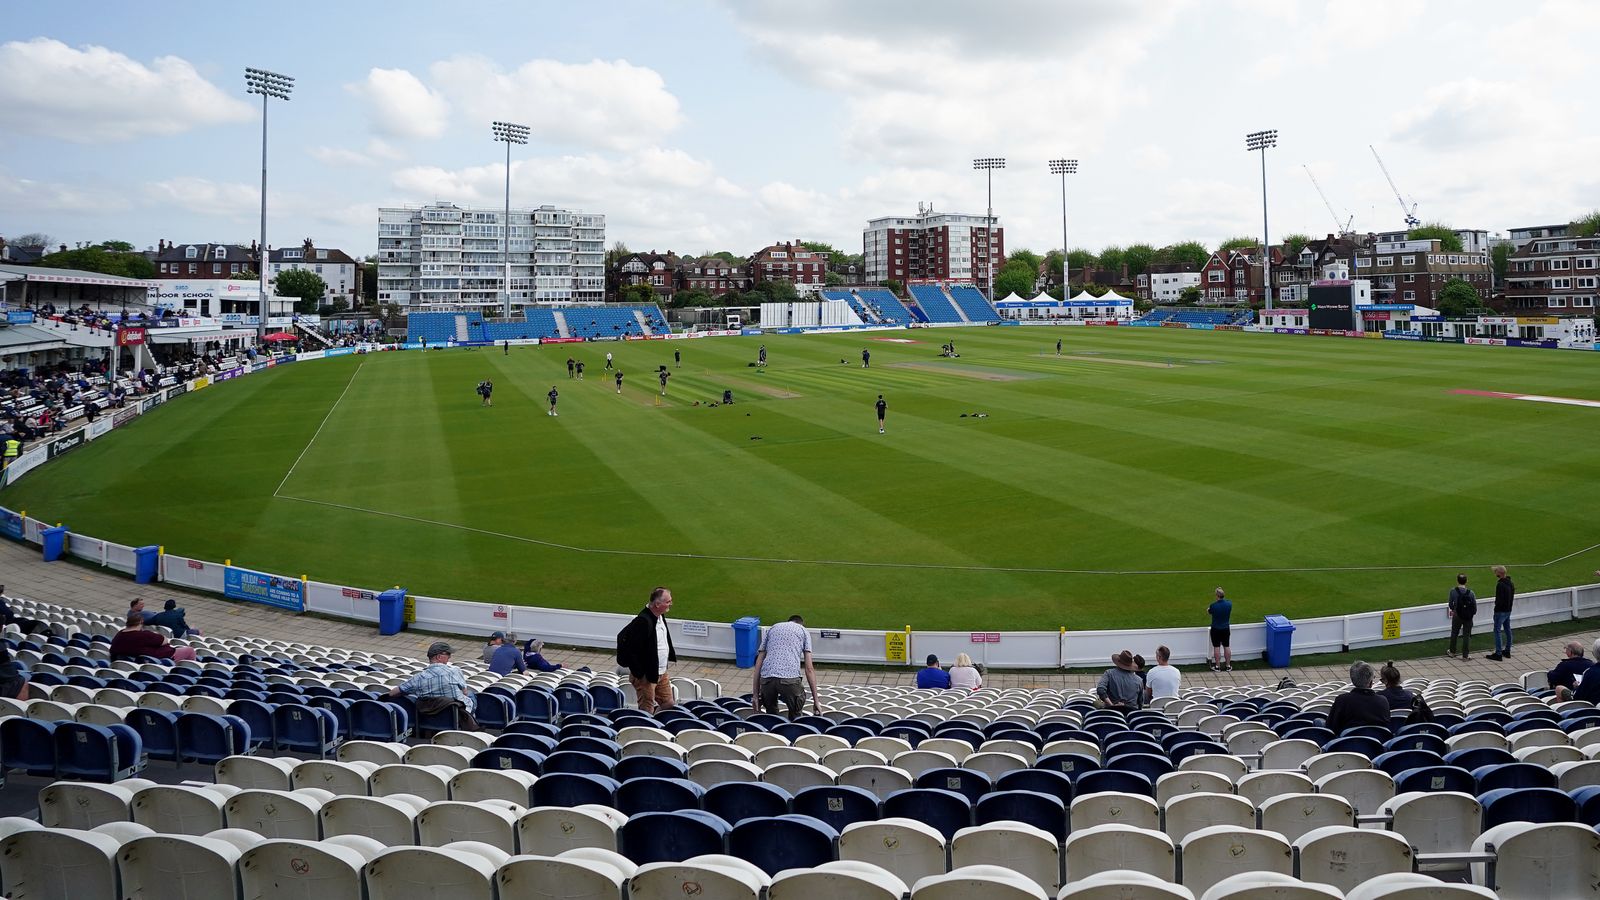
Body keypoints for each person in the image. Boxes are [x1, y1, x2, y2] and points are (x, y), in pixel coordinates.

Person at [390, 641, 478, 730]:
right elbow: (465, 692)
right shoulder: (455, 671)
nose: (450, 657)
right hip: (457, 716)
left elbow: (392, 693)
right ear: (439, 657)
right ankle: (471, 725)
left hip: (429, 718)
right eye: (448, 654)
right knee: (471, 694)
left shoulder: (418, 678)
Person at [616, 587, 677, 713]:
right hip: (647, 675)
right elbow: (629, 646)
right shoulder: (642, 621)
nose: (671, 604)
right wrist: (639, 673)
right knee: (646, 708)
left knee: (668, 703)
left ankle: (654, 721)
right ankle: (646, 724)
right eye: (668, 601)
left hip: (661, 671)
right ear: (657, 604)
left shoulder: (659, 616)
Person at [750, 614, 821, 719]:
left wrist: (755, 695)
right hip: (790, 678)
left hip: (767, 678)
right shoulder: (803, 631)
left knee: (771, 717)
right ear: (801, 624)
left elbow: (758, 664)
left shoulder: (773, 628)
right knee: (796, 716)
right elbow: (809, 669)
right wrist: (816, 701)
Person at [1326, 661, 1392, 733]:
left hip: (1348, 739)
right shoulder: (1382, 701)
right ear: (1371, 682)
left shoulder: (1342, 701)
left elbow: (1331, 727)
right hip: (1376, 739)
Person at [110, 611, 197, 662]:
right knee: (190, 650)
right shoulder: (143, 635)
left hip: (136, 662)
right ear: (140, 622)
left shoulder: (120, 634)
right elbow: (164, 641)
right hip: (160, 658)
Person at [1487, 565, 1515, 660]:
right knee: (1507, 629)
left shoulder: (1500, 585)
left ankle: (1498, 653)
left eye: (1496, 572)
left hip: (1500, 611)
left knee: (1497, 631)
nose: (1495, 573)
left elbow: (1499, 600)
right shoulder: (1510, 583)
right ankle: (1507, 650)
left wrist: (1496, 609)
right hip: (1508, 610)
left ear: (1499, 573)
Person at [1446, 573, 1476, 659]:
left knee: (1454, 633)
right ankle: (1465, 656)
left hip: (1457, 615)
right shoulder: (1471, 593)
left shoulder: (1453, 591)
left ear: (1457, 581)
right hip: (1468, 616)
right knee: (1467, 635)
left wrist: (1455, 610)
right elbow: (1474, 607)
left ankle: (1452, 652)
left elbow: (1450, 604)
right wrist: (1471, 614)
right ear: (1466, 581)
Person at [1208, 587, 1232, 672]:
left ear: (1217, 596)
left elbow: (1209, 611)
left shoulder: (1213, 606)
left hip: (1216, 629)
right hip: (1225, 628)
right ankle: (1228, 665)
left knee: (1216, 647)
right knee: (1226, 646)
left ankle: (1217, 666)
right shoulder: (1229, 604)